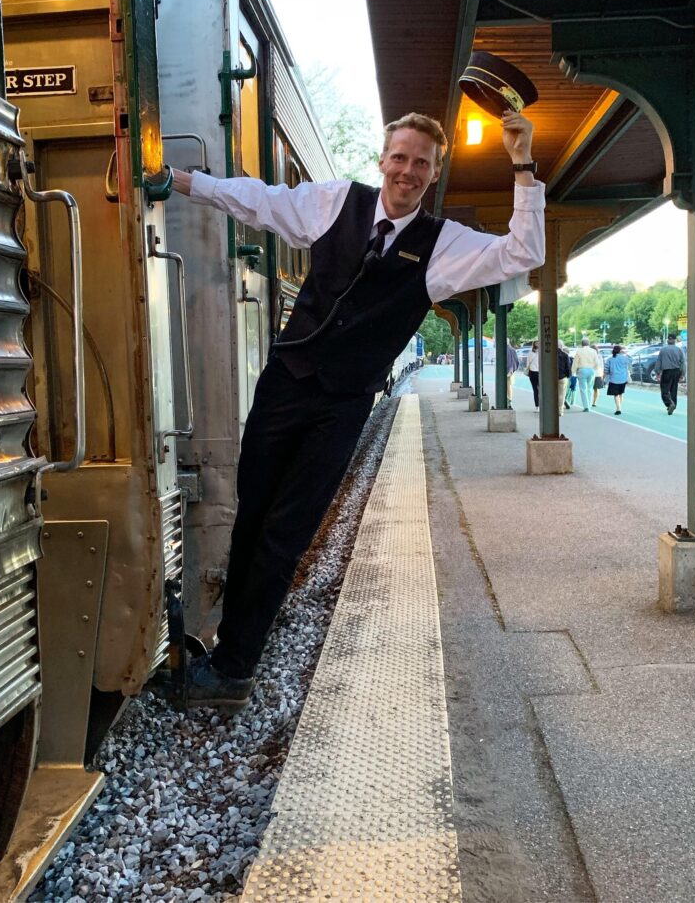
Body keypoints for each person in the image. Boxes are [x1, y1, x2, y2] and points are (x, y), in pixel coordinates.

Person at [171, 110, 545, 710]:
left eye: (421, 162)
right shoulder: (336, 203)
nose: (407, 170)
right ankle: (227, 648)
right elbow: (261, 201)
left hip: (342, 403)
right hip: (284, 385)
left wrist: (522, 165)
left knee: (285, 532)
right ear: (383, 159)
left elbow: (523, 251)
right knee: (252, 517)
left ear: (433, 173)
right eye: (399, 157)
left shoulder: (443, 245)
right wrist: (186, 182)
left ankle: (236, 669)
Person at [655, 332, 686, 414]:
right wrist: (683, 373)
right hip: (676, 371)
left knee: (664, 390)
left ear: (668, 340)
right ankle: (673, 405)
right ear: (675, 340)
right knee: (674, 389)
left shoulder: (663, 350)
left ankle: (669, 403)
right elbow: (683, 362)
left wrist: (657, 372)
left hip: (667, 371)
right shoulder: (679, 350)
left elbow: (659, 362)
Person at [572, 337, 598, 412]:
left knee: (583, 389)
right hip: (591, 370)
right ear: (589, 344)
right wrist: (594, 369)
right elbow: (596, 362)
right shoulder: (593, 351)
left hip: (582, 370)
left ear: (581, 344)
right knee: (590, 388)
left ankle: (586, 406)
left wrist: (573, 372)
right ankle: (589, 405)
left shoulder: (579, 351)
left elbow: (575, 363)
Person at [604, 344, 631, 415]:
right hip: (623, 378)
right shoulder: (624, 358)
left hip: (614, 379)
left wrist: (605, 376)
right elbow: (631, 360)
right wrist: (626, 353)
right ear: (620, 350)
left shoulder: (610, 359)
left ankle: (618, 408)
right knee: (620, 393)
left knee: (616, 394)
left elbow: (606, 369)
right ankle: (619, 407)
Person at [556, 340, 572, 415]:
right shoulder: (565, 355)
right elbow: (568, 367)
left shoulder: (549, 355)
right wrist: (568, 375)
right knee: (561, 394)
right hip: (562, 377)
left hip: (551, 377)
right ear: (561, 346)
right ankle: (560, 410)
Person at [525, 341, 541, 408]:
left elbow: (527, 363)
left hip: (532, 373)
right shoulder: (541, 353)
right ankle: (541, 405)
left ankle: (537, 406)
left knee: (535, 390)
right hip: (540, 373)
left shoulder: (530, 353)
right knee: (541, 389)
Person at [505, 338, 519, 405]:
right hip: (511, 371)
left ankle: (507, 399)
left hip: (506, 370)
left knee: (505, 385)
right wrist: (513, 369)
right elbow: (516, 361)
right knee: (509, 386)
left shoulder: (501, 350)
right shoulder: (513, 350)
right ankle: (509, 399)